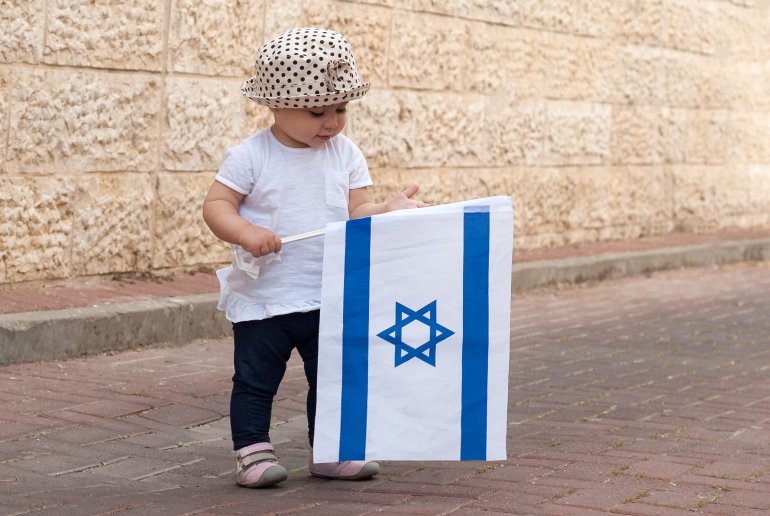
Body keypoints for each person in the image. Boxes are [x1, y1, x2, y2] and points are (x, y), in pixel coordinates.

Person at [202, 27, 427, 488]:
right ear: (274, 105)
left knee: (333, 377)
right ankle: (252, 453)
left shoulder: (345, 154)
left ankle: (329, 452)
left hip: (327, 292)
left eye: (341, 108)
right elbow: (215, 206)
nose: (332, 122)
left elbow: (357, 210)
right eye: (317, 110)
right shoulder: (251, 156)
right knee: (255, 377)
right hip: (267, 294)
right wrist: (245, 232)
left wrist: (385, 210)